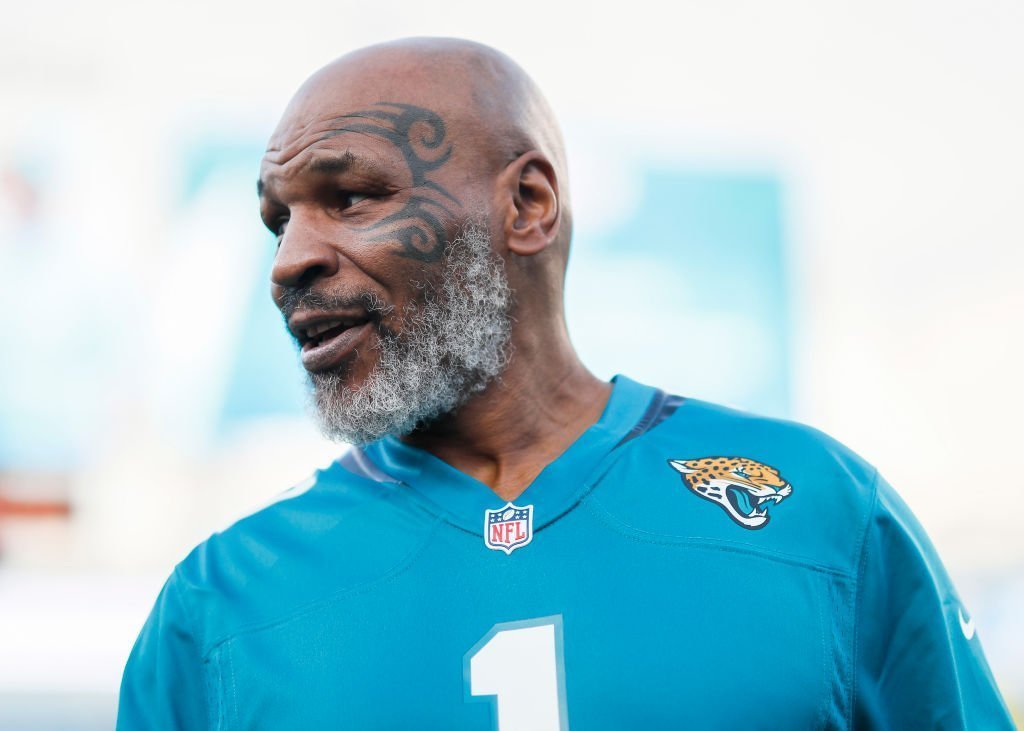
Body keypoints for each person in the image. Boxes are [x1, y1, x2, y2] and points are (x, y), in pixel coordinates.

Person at [117, 38, 1014, 730]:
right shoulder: (223, 604)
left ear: (528, 205)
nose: (290, 261)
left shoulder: (819, 514)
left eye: (350, 198)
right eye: (279, 221)